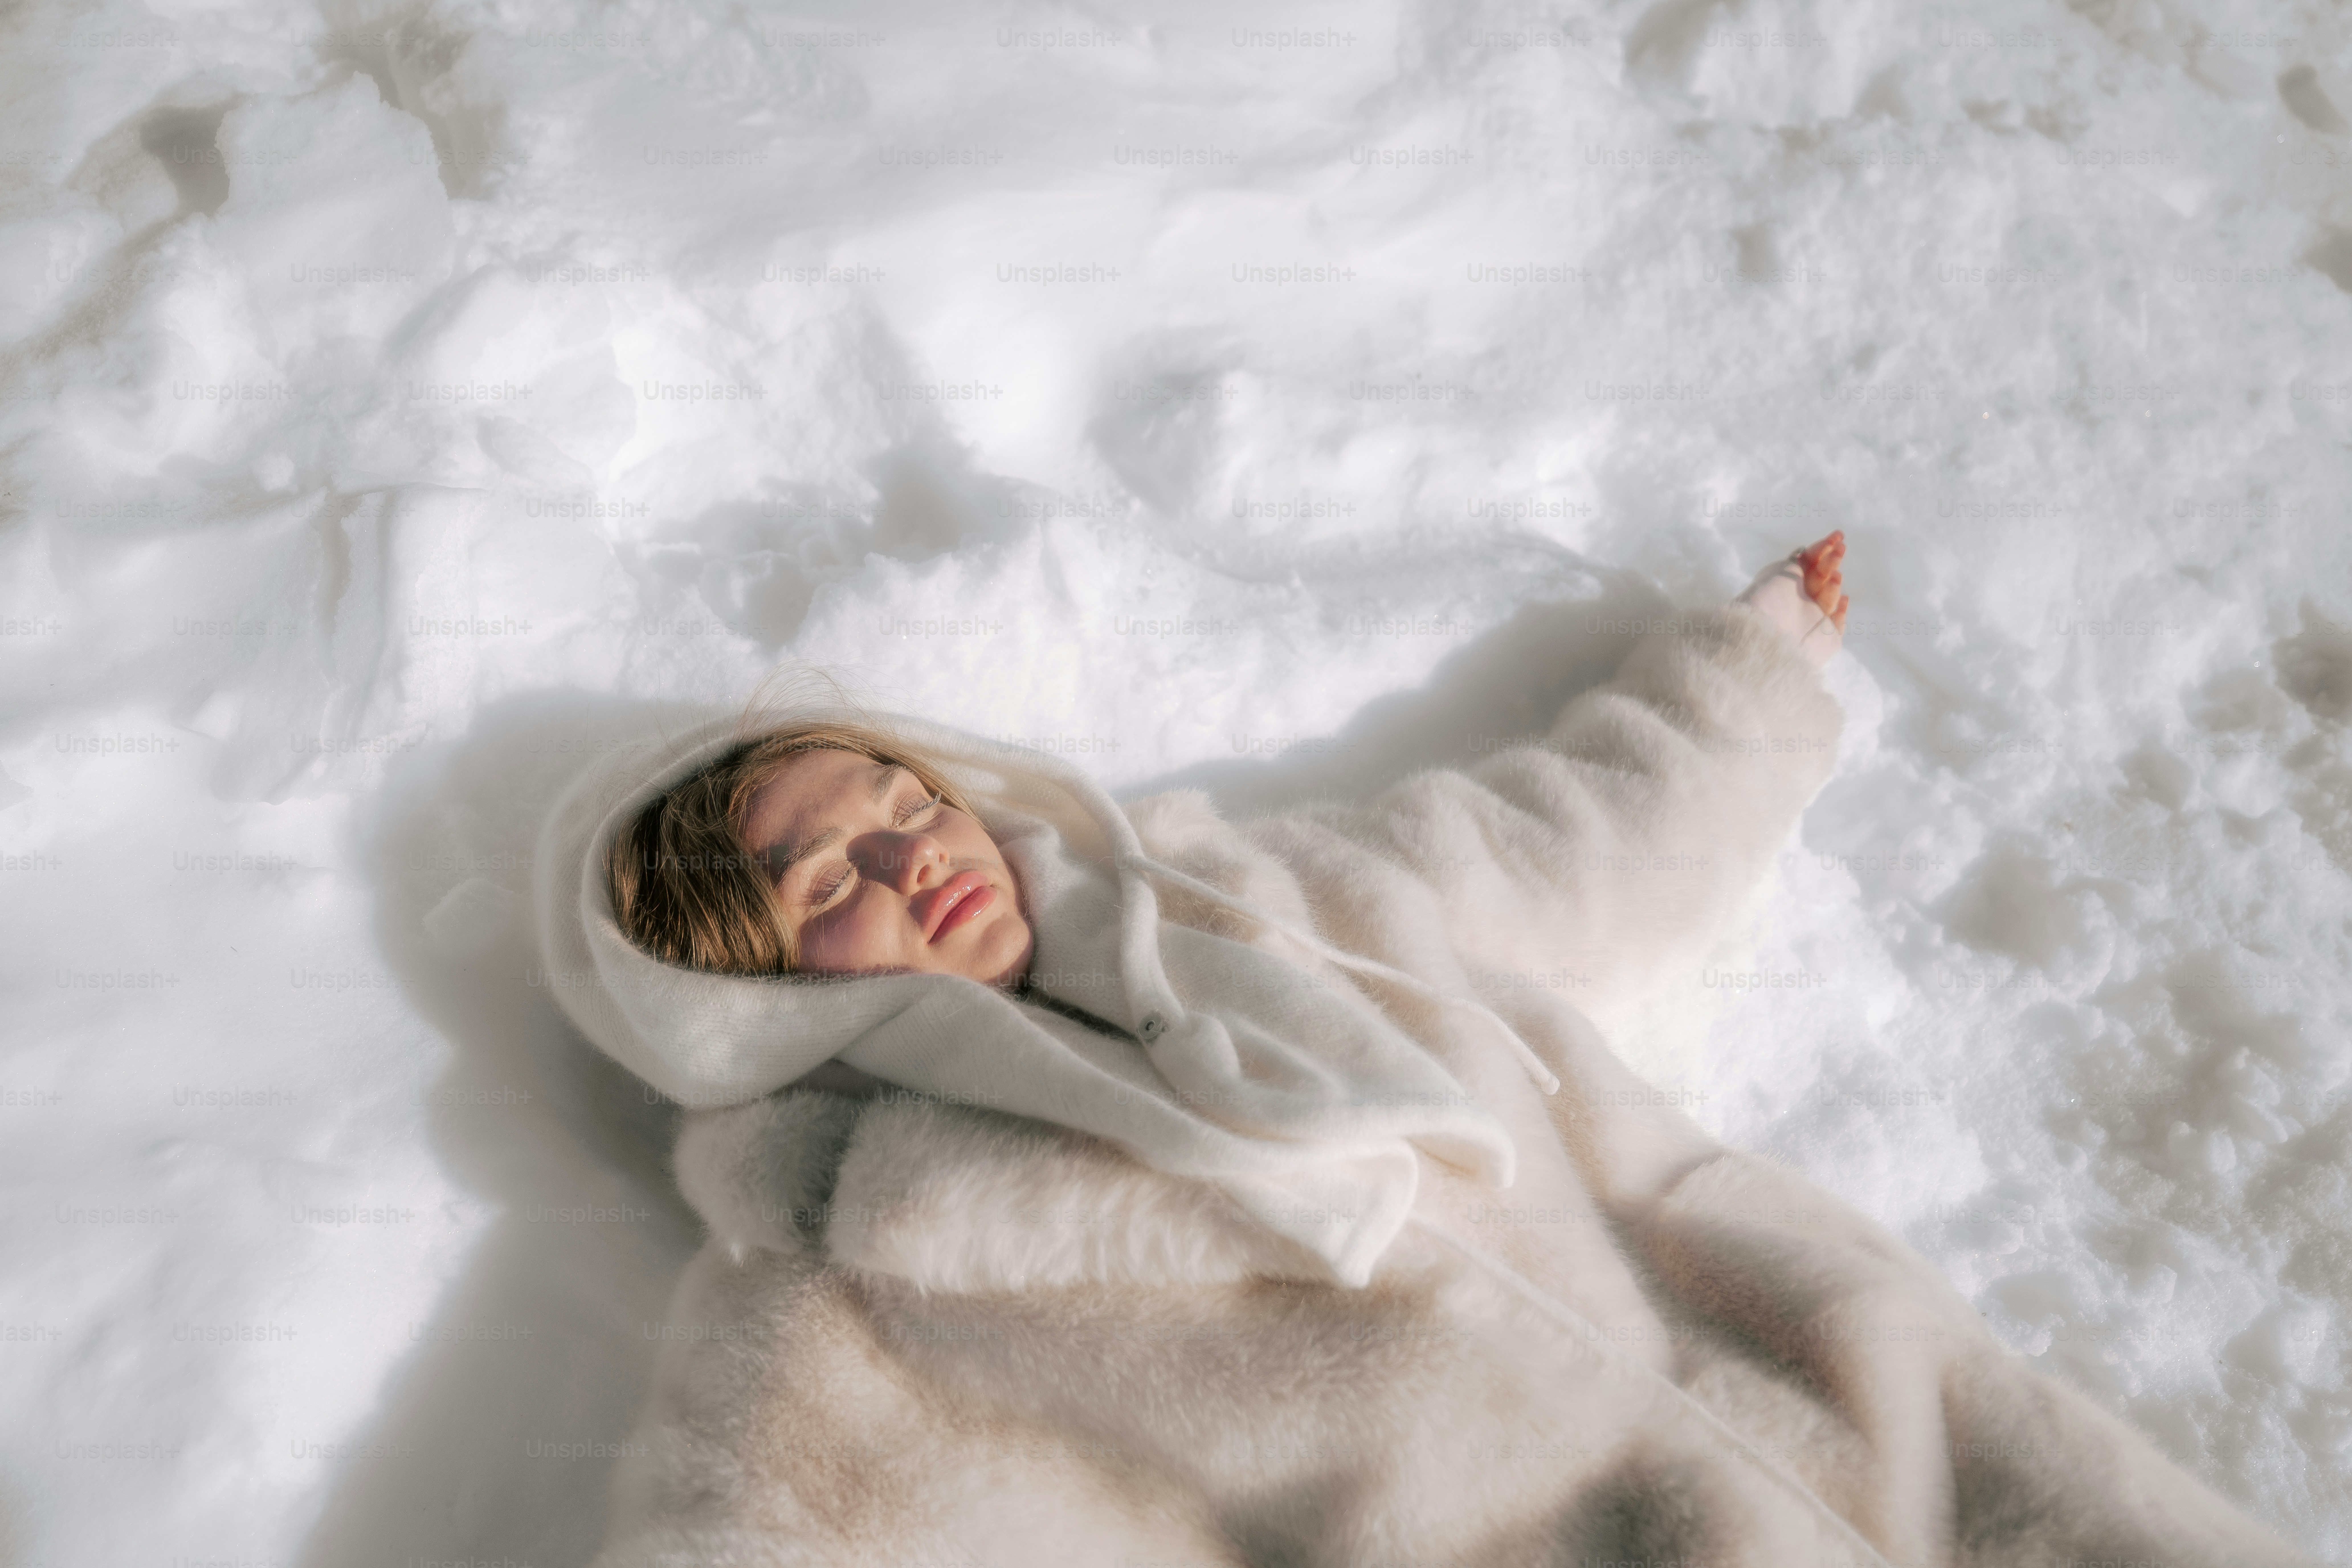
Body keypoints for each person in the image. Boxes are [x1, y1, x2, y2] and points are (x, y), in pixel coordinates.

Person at [535, 532, 2316, 1568]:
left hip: (1829, 1368)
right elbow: (749, 1523)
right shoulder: (852, 1240)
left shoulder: (1256, 906)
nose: (908, 855)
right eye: (821, 874)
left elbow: (1571, 848)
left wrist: (1745, 678)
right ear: (738, 983)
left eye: (903, 802)